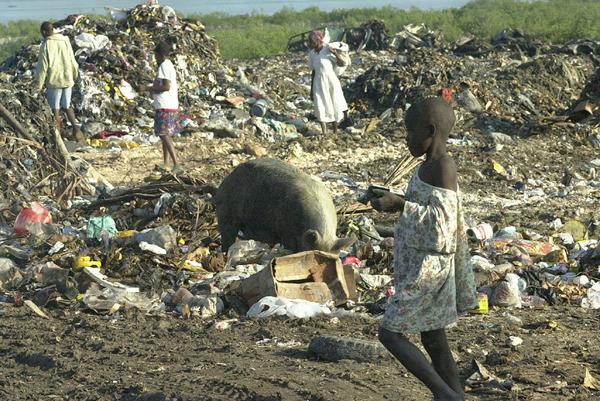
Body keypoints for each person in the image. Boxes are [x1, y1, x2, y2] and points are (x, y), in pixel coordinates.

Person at [369, 98, 478, 401]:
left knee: (389, 333)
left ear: (429, 131)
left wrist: (400, 205)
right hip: (419, 265)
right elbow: (426, 209)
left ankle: (444, 394)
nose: (406, 138)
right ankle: (457, 396)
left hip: (429, 271)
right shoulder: (427, 167)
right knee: (434, 339)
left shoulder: (443, 167)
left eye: (409, 132)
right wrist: (390, 199)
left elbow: (443, 229)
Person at [35, 21, 85, 143]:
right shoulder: (65, 41)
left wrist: (38, 86)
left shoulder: (46, 45)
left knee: (55, 108)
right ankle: (77, 130)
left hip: (55, 80)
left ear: (44, 32)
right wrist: (74, 77)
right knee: (67, 105)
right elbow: (73, 61)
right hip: (68, 79)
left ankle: (58, 139)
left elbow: (42, 68)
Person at [139, 41, 182, 174]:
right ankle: (166, 163)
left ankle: (176, 164)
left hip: (165, 106)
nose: (155, 58)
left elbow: (166, 86)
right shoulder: (168, 65)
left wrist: (147, 88)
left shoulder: (163, 65)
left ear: (159, 54)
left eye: (155, 55)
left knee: (164, 135)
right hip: (169, 105)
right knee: (165, 135)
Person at [308, 30, 349, 135]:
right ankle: (324, 132)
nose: (310, 44)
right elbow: (313, 71)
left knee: (333, 103)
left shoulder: (327, 49)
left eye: (312, 42)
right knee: (320, 105)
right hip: (318, 83)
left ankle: (335, 131)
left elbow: (342, 63)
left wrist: (335, 53)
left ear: (318, 40)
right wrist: (311, 89)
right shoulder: (312, 54)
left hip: (331, 81)